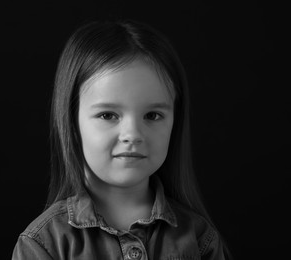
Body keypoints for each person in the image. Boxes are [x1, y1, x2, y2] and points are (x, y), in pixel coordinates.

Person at [12, 19, 230, 260]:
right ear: (72, 123)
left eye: (152, 115)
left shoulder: (199, 238)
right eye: (108, 115)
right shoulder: (45, 244)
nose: (133, 134)